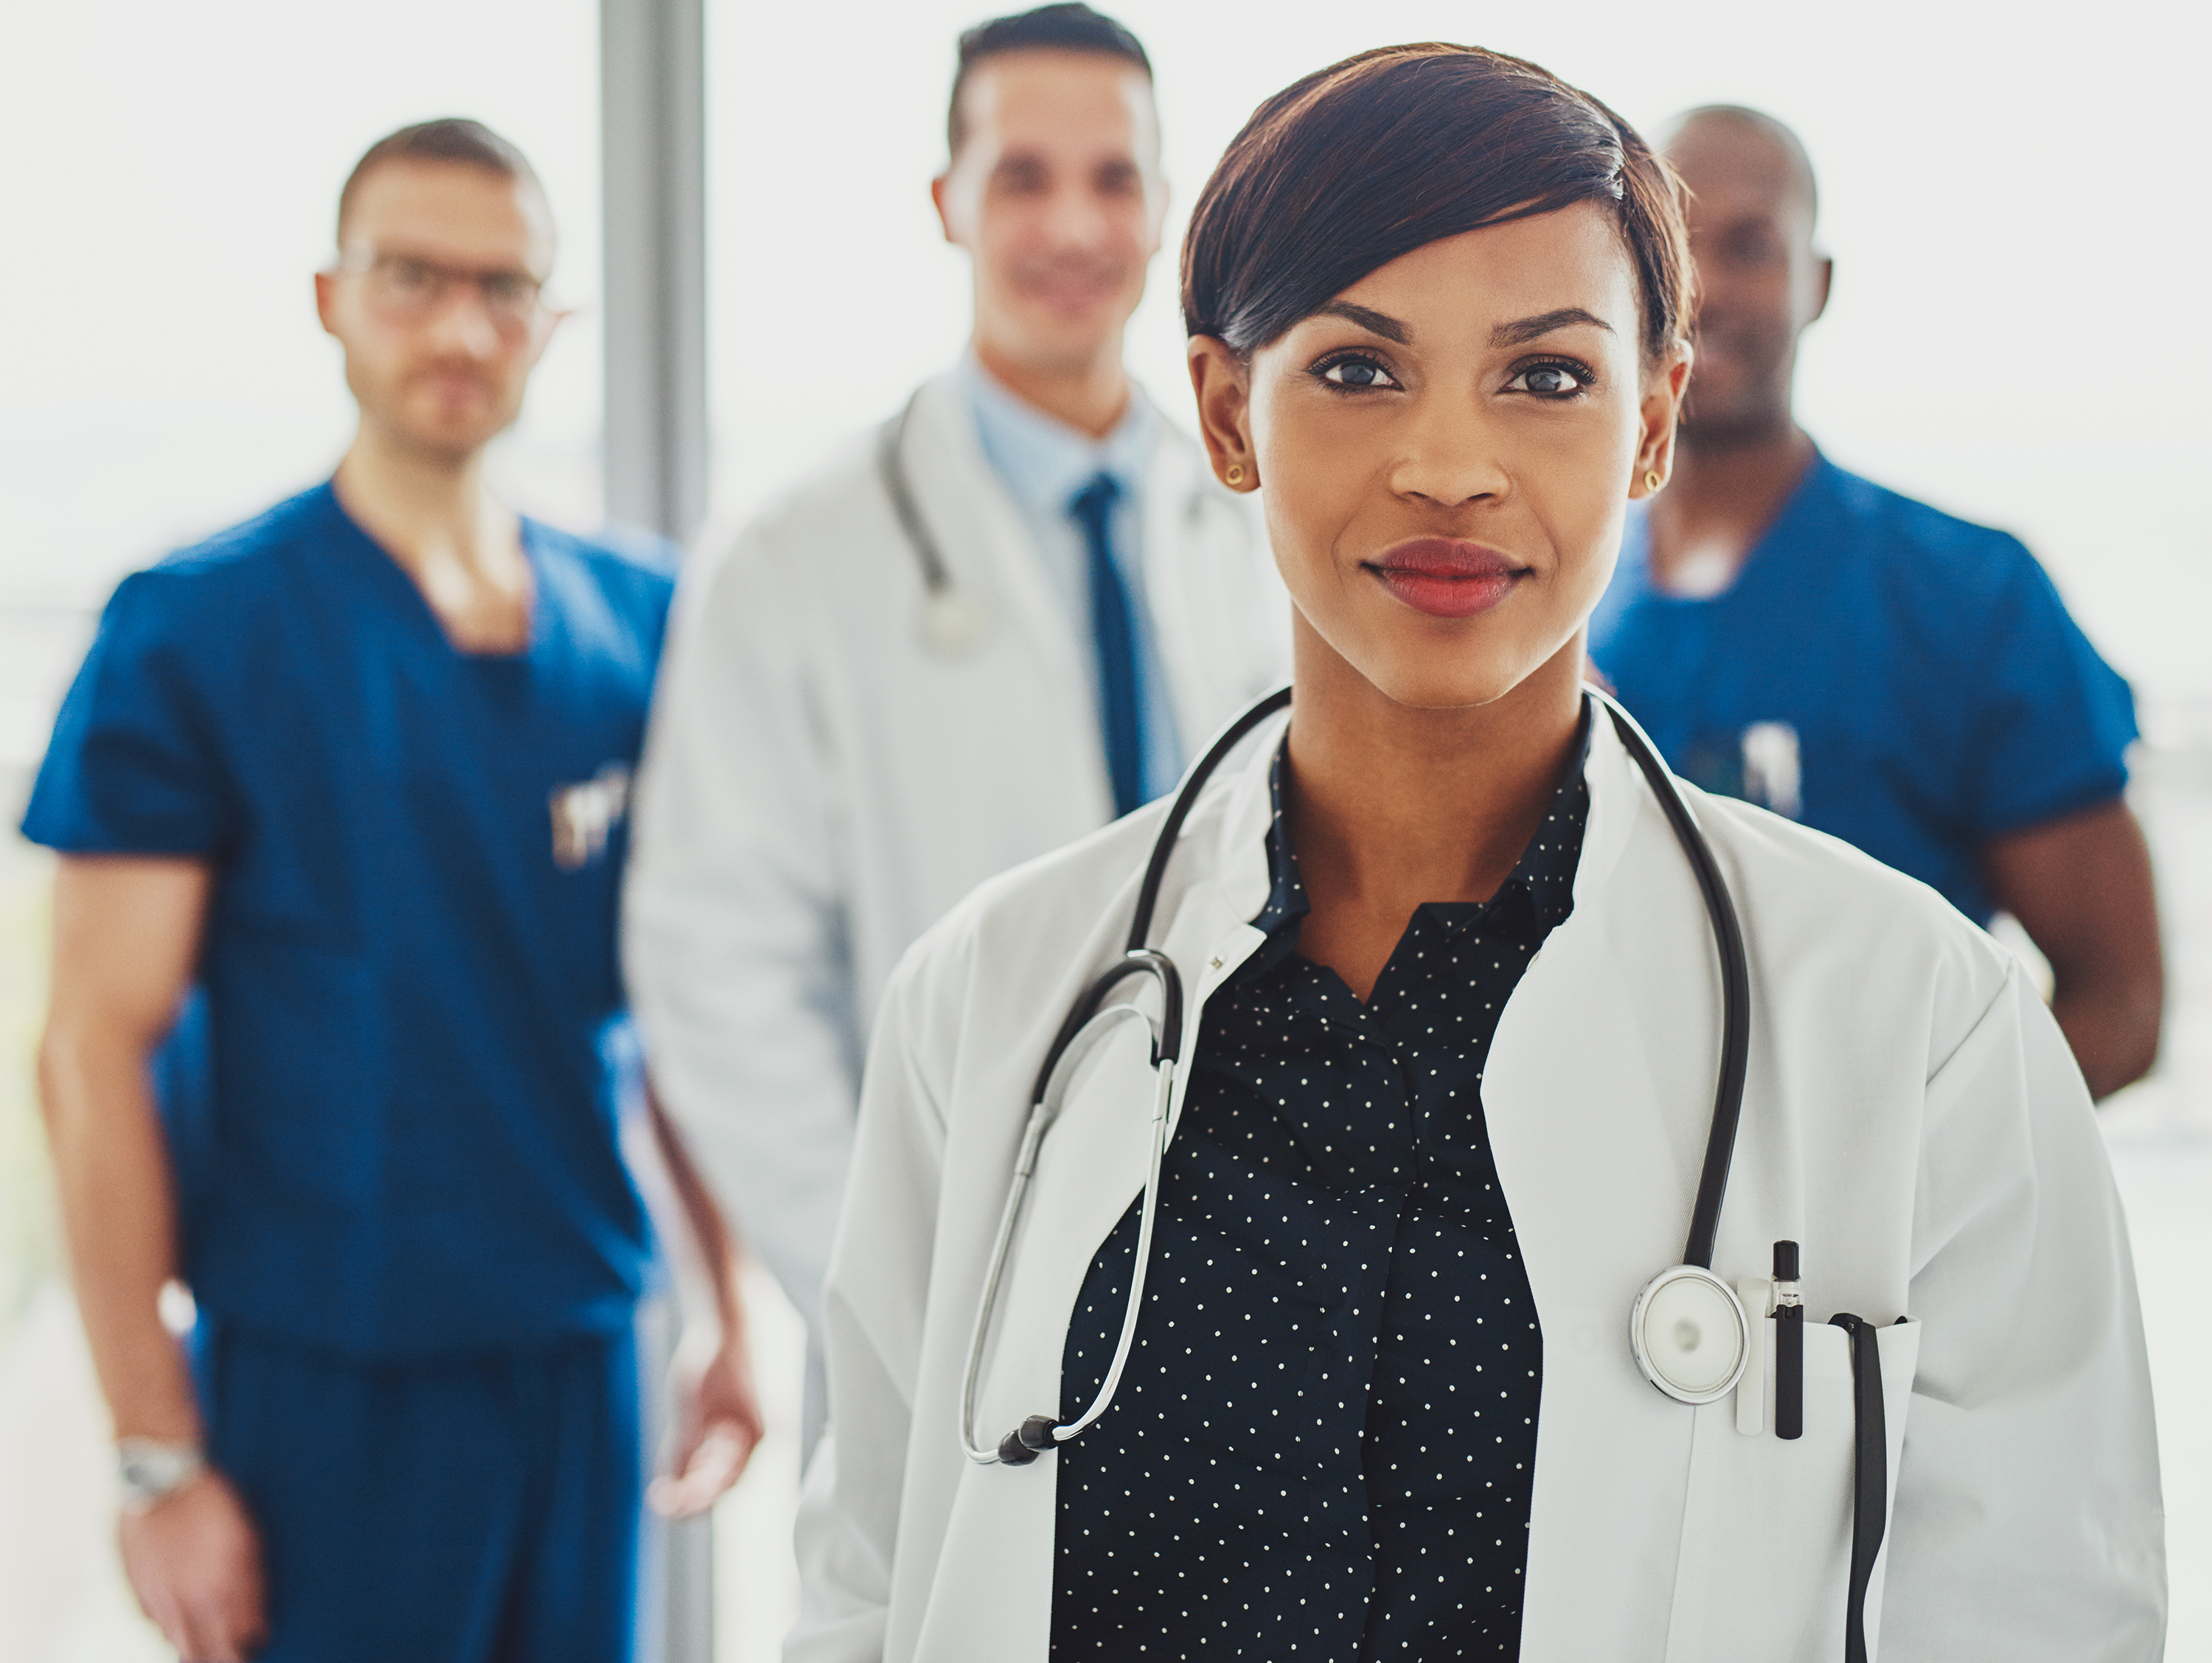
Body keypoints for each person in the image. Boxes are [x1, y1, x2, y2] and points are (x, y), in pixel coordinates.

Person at [787, 45, 2164, 1663]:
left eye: (1548, 375)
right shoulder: (990, 1002)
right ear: (1230, 414)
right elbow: (868, 1598)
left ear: (1652, 421)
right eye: (1359, 372)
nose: (1449, 464)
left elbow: (2043, 1619)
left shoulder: (1921, 1024)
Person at [29, 119, 761, 1663]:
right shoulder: (195, 632)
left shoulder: (642, 622)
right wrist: (157, 1458)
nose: (458, 325)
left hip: (579, 1355)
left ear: (552, 321)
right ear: (330, 298)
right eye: (412, 276)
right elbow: (89, 1052)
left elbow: (686, 1003)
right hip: (322, 1386)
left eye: (504, 288)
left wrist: (730, 1311)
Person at [623, 0, 1284, 1426]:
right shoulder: (797, 559)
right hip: (953, 1292)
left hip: (1265, 1261)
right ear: (948, 204)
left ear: (1164, 207)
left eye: (1112, 179)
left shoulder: (1257, 523)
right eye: (1022, 176)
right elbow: (714, 971)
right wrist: (904, 1291)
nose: (1071, 225)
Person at [1587, 105, 2161, 1099]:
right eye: (1675, 246)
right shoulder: (1548, 605)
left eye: (1752, 245)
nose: (1708, 287)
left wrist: (1898, 1183)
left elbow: (2121, 1004)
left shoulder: (1972, 595)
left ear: (1819, 284)